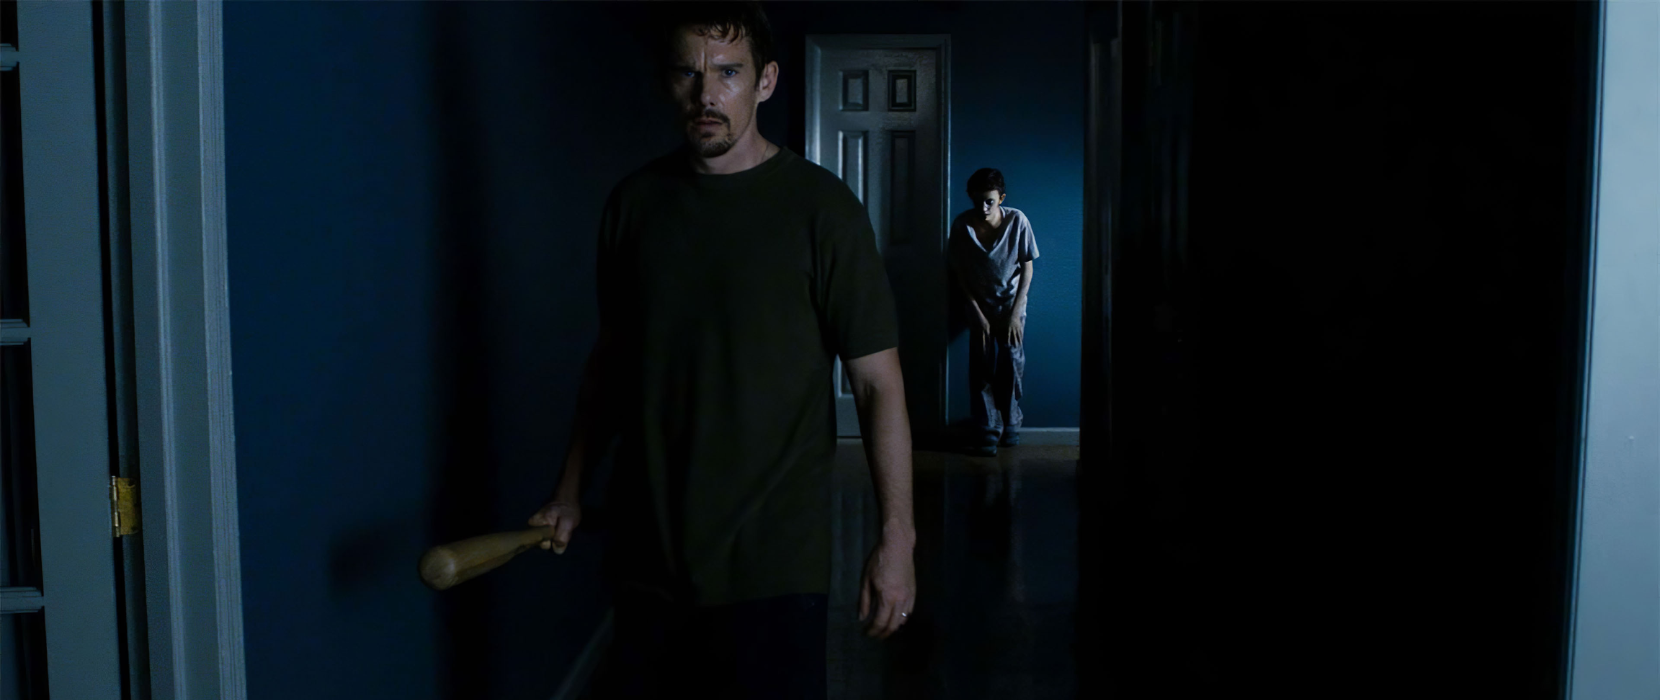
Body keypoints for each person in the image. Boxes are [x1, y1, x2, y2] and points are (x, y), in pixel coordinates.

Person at [526, 3, 917, 698]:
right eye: (688, 73)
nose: (706, 94)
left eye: (728, 73)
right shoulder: (633, 206)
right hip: (648, 560)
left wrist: (897, 538)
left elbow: (877, 384)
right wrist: (568, 491)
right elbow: (611, 365)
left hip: (774, 566)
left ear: (765, 81)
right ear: (667, 82)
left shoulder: (822, 210)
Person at [948, 168, 1039, 457]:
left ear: (1001, 197)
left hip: (1010, 306)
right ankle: (988, 427)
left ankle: (1011, 419)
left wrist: (1016, 313)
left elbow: (1027, 268)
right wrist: (974, 311)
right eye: (978, 202)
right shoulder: (962, 225)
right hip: (979, 307)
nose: (984, 208)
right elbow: (958, 272)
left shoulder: (1017, 220)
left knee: (1012, 361)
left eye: (990, 201)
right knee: (981, 367)